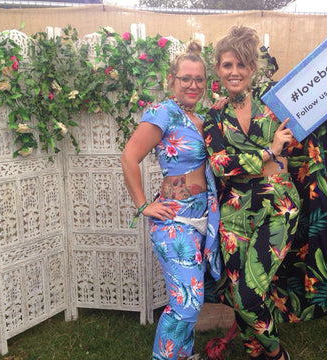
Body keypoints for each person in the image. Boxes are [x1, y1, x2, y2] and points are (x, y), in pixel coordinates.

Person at [203, 25, 327, 360]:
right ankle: (254, 352)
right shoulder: (214, 116)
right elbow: (220, 165)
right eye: (227, 65)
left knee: (248, 294)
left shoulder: (276, 104)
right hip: (234, 213)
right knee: (239, 292)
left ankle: (276, 354)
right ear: (218, 69)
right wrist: (270, 153)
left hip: (278, 207)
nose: (234, 72)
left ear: (252, 69)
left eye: (241, 65)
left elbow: (325, 97)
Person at [120, 41, 221, 360]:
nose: (193, 85)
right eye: (186, 78)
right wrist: (142, 204)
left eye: (199, 79)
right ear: (172, 80)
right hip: (174, 223)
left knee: (188, 299)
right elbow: (129, 157)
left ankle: (183, 355)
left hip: (201, 221)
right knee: (187, 303)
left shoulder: (201, 119)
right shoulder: (164, 112)